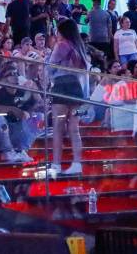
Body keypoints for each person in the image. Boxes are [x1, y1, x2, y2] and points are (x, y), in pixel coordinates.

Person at [48, 18, 90, 175]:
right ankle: (77, 163)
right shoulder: (79, 48)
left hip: (61, 86)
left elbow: (50, 67)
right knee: (74, 128)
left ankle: (56, 164)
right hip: (76, 88)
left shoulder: (61, 45)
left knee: (58, 127)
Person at [0, 65, 41, 163]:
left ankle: (22, 150)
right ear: (4, 79)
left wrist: (28, 111)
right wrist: (11, 109)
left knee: (39, 117)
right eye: (11, 74)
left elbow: (39, 104)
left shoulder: (22, 92)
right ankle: (7, 152)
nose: (15, 76)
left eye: (17, 73)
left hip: (16, 131)